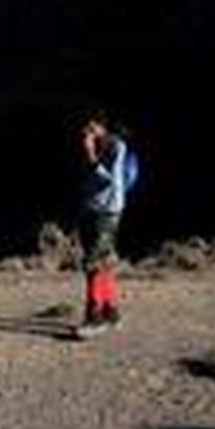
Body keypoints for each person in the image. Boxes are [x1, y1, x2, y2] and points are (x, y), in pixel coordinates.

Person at [75, 114, 130, 339]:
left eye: (91, 125)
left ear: (101, 125)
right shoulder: (100, 144)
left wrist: (89, 152)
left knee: (94, 263)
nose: (86, 130)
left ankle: (94, 317)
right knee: (103, 262)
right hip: (93, 208)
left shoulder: (115, 146)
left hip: (106, 211)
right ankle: (111, 311)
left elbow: (105, 178)